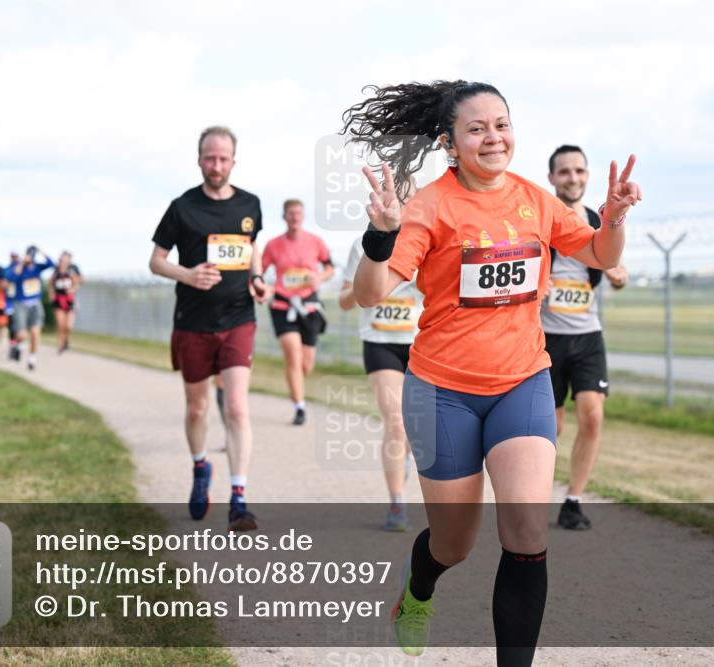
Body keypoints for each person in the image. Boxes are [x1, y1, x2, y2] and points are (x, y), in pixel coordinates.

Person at [343, 80, 640, 665]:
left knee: (527, 534)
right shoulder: (429, 206)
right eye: (476, 128)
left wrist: (615, 217)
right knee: (454, 542)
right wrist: (381, 237)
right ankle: (417, 590)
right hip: (441, 391)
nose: (492, 137)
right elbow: (371, 293)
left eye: (501, 124)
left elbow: (603, 256)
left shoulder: (536, 198)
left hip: (522, 381)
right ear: (450, 143)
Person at [148, 126, 269, 532]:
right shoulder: (182, 207)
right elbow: (156, 261)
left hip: (238, 318)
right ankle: (201, 467)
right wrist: (187, 274)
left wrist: (257, 278)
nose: (216, 165)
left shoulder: (250, 204)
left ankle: (239, 499)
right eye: (209, 158)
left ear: (234, 161)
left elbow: (251, 247)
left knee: (236, 406)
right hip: (194, 322)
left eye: (223, 158)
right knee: (197, 407)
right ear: (199, 159)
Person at [542, 145, 628, 530]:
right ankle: (533, 496)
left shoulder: (598, 221)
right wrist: (536, 283)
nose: (572, 178)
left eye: (579, 171)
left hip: (587, 336)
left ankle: (573, 501)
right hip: (546, 338)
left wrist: (618, 275)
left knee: (592, 415)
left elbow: (615, 264)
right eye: (564, 172)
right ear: (552, 179)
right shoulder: (541, 221)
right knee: (551, 427)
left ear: (588, 175)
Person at [340, 232, 424, 532]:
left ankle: (402, 455)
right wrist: (368, 287)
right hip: (381, 342)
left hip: (423, 343)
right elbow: (345, 301)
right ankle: (397, 502)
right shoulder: (362, 243)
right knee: (397, 420)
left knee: (417, 428)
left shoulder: (427, 236)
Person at [260, 199, 334, 425]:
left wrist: (319, 277)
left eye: (298, 213)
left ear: (303, 216)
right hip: (283, 306)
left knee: (306, 364)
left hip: (310, 306)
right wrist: (266, 288)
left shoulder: (315, 241)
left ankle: (297, 387)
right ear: (284, 216)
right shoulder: (273, 245)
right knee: (293, 354)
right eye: (290, 214)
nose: (294, 217)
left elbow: (330, 268)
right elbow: (258, 273)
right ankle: (299, 407)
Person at [5, 246, 55, 370]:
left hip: (35, 304)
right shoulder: (18, 266)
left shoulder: (37, 267)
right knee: (21, 335)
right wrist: (22, 262)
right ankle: (17, 345)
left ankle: (32, 358)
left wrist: (41, 251)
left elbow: (52, 264)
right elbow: (11, 277)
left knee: (35, 332)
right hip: (20, 303)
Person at [51, 251, 82, 354]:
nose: (62, 263)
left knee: (68, 326)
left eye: (65, 261)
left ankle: (66, 340)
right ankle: (60, 345)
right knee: (61, 325)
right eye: (61, 261)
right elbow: (51, 285)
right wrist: (51, 294)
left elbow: (77, 284)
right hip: (59, 300)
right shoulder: (56, 273)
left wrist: (72, 290)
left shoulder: (71, 272)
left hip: (69, 300)